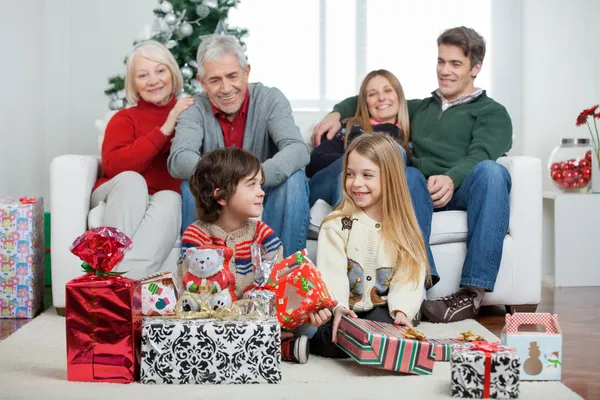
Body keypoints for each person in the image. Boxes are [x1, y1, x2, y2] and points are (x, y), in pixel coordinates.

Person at [311, 26, 512, 323]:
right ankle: (420, 286)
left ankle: (471, 293)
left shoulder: (492, 112)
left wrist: (451, 178)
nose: (445, 71)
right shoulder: (420, 108)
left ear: (476, 68)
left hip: (465, 187)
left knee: (493, 172)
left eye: (455, 64)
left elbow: (481, 154)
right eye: (441, 61)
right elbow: (374, 99)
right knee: (408, 173)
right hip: (418, 189)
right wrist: (336, 112)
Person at [168, 34, 310, 257]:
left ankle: (287, 272)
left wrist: (253, 178)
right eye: (215, 80)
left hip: (266, 187)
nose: (225, 88)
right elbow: (178, 158)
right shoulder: (195, 109)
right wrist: (228, 181)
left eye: (232, 76)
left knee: (294, 180)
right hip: (218, 194)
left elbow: (298, 149)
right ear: (202, 81)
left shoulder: (270, 99)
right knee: (190, 186)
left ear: (246, 72)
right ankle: (199, 278)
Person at [180, 147, 312, 364]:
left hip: (255, 313)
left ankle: (265, 341)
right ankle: (275, 347)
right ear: (221, 195)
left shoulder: (262, 234)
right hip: (213, 316)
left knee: (309, 324)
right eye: (251, 185)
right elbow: (192, 288)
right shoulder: (196, 235)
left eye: (260, 184)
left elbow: (275, 283)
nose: (261, 192)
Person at [308, 133, 430, 358]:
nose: (356, 183)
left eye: (367, 175)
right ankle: (299, 346)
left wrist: (402, 311)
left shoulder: (404, 229)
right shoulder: (336, 225)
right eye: (351, 174)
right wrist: (339, 307)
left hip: (382, 310)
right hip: (345, 310)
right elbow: (332, 272)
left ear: (390, 178)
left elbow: (408, 276)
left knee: (384, 332)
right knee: (330, 340)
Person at [91, 40, 194, 279]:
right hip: (118, 190)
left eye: (160, 70)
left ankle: (118, 283)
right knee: (131, 180)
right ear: (134, 84)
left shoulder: (190, 115)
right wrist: (166, 128)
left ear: (172, 73)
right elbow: (116, 167)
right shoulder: (124, 118)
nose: (153, 80)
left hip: (160, 197)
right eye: (143, 75)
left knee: (171, 199)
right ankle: (113, 276)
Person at [307, 69, 410, 208]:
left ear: (399, 95)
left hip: (379, 194)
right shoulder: (349, 126)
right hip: (327, 184)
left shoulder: (410, 133)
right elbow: (315, 161)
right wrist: (358, 163)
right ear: (364, 102)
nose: (381, 98)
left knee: (396, 154)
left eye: (388, 91)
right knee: (354, 173)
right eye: (372, 94)